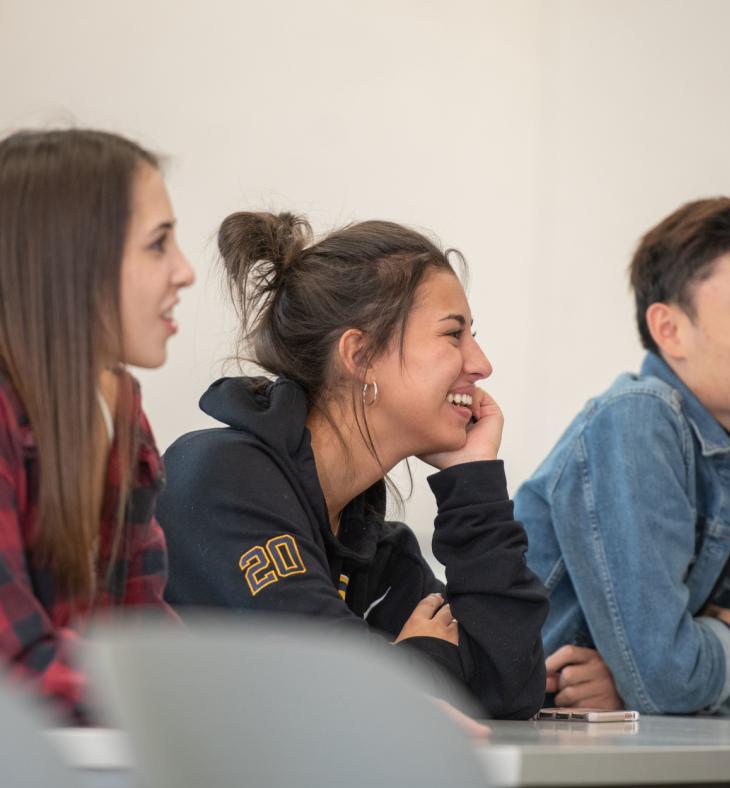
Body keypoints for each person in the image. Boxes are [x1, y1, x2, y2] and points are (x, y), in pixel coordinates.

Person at [159, 211, 547, 720]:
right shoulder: (220, 479)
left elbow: (506, 691)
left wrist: (472, 482)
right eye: (454, 335)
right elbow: (343, 697)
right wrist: (424, 658)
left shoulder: (376, 550)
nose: (481, 364)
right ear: (360, 355)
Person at [0, 129, 195, 722]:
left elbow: (139, 640)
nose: (185, 271)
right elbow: (15, 669)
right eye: (158, 244)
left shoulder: (117, 405)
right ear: (73, 263)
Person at [515, 197, 730, 716]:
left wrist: (637, 679)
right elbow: (667, 679)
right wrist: (670, 663)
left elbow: (663, 679)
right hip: (525, 764)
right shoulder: (639, 419)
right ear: (670, 329)